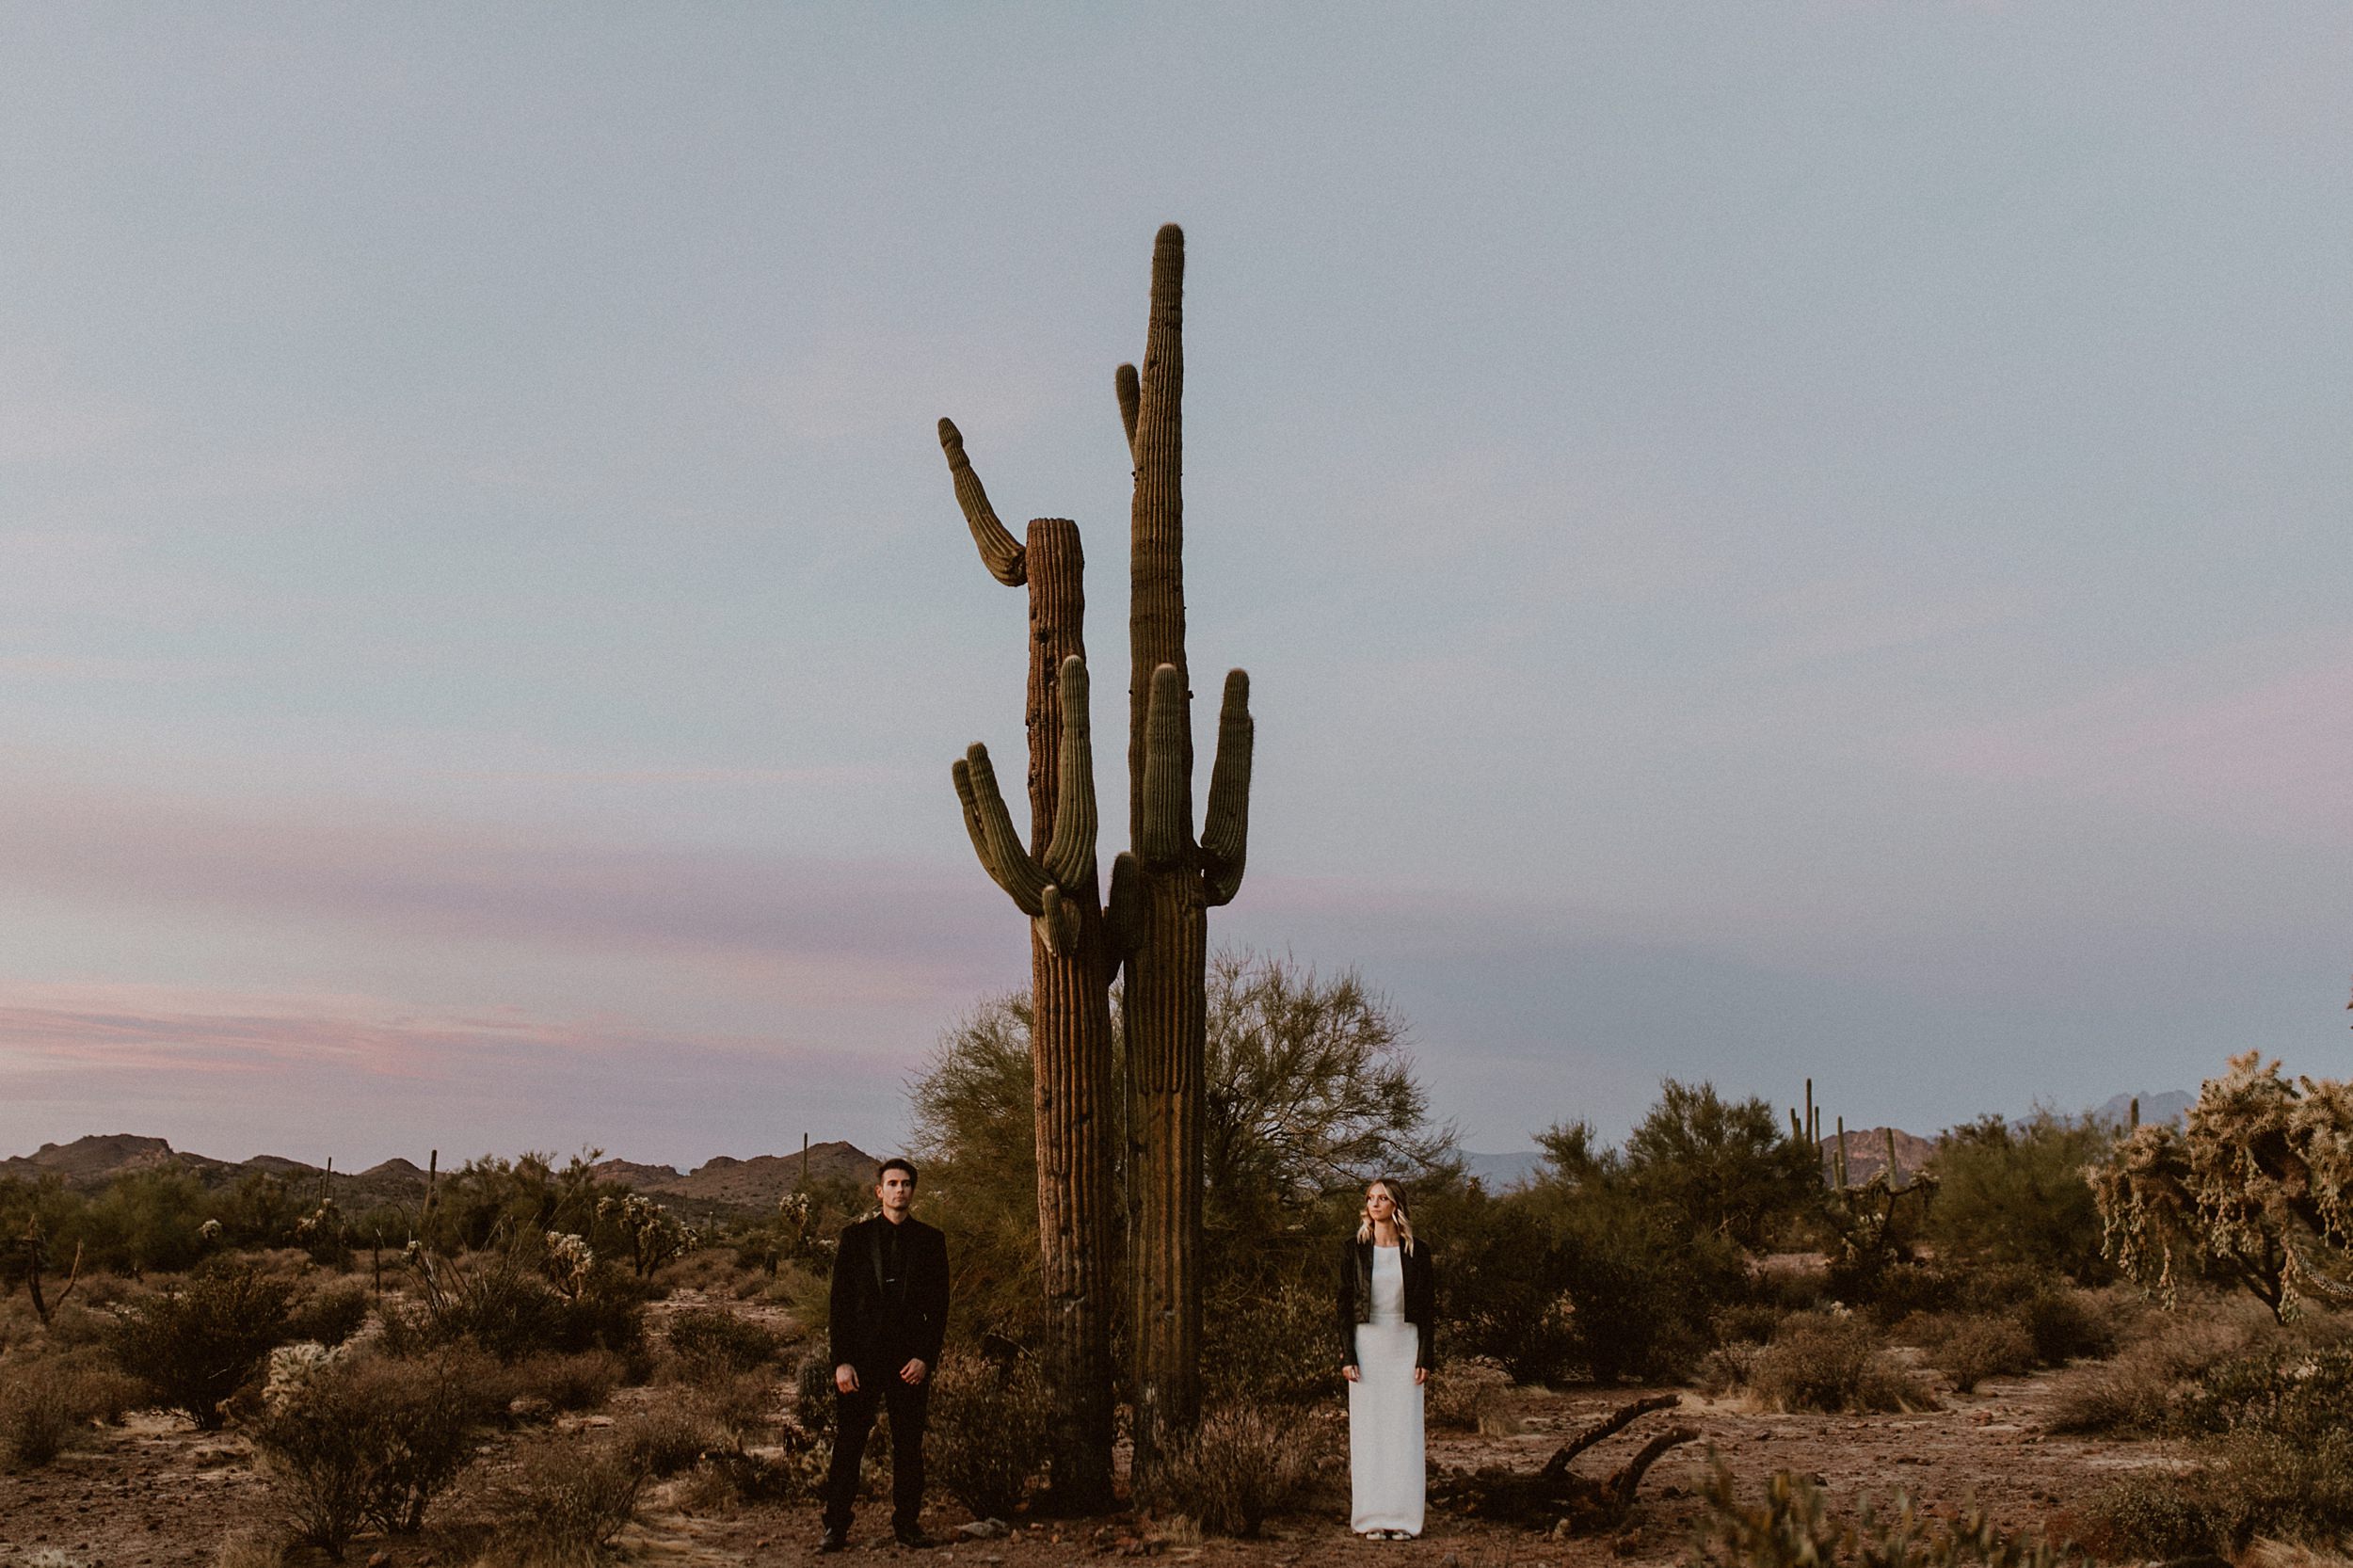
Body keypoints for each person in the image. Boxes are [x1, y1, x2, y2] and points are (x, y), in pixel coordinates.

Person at [820, 1157, 950, 1552]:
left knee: (908, 1446)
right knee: (849, 1444)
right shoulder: (855, 1239)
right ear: (880, 1191)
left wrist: (926, 1357)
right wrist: (841, 1361)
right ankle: (836, 1527)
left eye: (906, 1183)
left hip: (908, 1362)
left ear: (913, 1190)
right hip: (861, 1362)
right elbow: (839, 1306)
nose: (899, 1190)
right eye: (892, 1183)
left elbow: (940, 1307)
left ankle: (907, 1524)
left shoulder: (931, 1240)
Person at [1336, 1177, 1434, 1540]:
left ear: (1396, 1206)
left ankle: (1405, 1518)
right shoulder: (1354, 1249)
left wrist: (1426, 1355)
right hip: (1368, 1344)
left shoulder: (1416, 1251)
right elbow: (1343, 1306)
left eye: (1382, 1198)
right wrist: (1348, 1353)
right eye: (1370, 1198)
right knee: (1369, 1432)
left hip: (1404, 1344)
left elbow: (1427, 1308)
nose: (1374, 1204)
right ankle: (1371, 1517)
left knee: (1404, 1431)